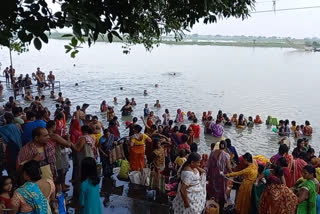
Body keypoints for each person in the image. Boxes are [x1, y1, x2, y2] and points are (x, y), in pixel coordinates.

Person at [47, 120, 72, 192]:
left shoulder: (45, 135)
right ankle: (60, 198)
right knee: (58, 180)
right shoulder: (54, 136)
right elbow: (68, 144)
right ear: (53, 126)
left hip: (48, 160)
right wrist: (68, 138)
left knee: (53, 180)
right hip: (56, 159)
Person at [207, 141, 232, 207]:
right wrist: (232, 174)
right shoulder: (226, 155)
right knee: (221, 188)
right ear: (225, 147)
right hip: (221, 177)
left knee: (213, 186)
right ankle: (219, 201)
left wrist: (208, 174)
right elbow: (229, 167)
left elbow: (208, 164)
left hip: (213, 175)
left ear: (219, 145)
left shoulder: (212, 152)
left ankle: (212, 198)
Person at [0, 113, 22, 177]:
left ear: (5, 120)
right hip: (19, 147)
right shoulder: (16, 126)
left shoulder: (2, 129)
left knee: (11, 164)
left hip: (12, 148)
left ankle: (12, 176)